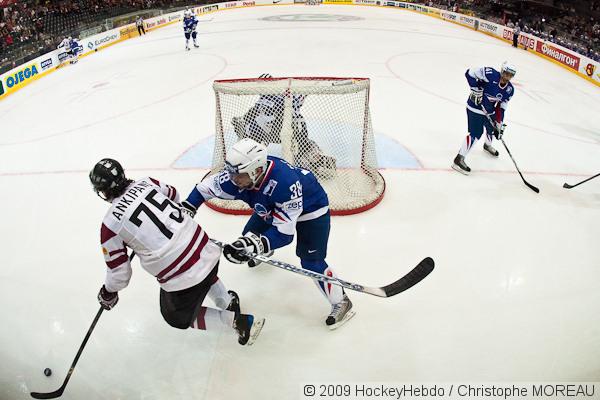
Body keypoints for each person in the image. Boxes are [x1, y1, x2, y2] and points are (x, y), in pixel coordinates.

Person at [181, 138, 355, 329]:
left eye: (238, 175)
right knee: (248, 234)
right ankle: (265, 248)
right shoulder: (241, 177)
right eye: (230, 172)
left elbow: (284, 234)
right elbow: (204, 189)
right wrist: (188, 208)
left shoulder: (284, 183)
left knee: (310, 261)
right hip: (272, 206)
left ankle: (341, 302)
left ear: (256, 171)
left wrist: (256, 244)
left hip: (311, 207)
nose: (232, 179)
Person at [89, 158, 264, 346]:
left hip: (182, 278)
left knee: (176, 316)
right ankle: (228, 302)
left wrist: (108, 294)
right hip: (206, 248)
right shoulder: (146, 182)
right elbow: (173, 195)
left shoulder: (110, 226)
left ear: (103, 192)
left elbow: (120, 274)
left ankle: (239, 323)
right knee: (203, 270)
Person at [231, 73, 337, 179]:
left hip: (282, 130)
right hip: (287, 128)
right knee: (301, 146)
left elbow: (255, 115)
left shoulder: (271, 99)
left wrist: (243, 123)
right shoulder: (274, 97)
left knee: (300, 149)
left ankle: (315, 162)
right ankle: (317, 161)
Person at [452, 62, 516, 175]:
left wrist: (499, 123)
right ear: (502, 71)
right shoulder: (490, 74)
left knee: (492, 128)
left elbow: (501, 107)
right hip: (475, 107)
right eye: (506, 73)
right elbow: (469, 73)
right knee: (476, 133)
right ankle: (459, 159)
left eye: (510, 75)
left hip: (489, 111)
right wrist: (475, 88)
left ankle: (487, 145)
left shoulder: (509, 89)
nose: (507, 77)